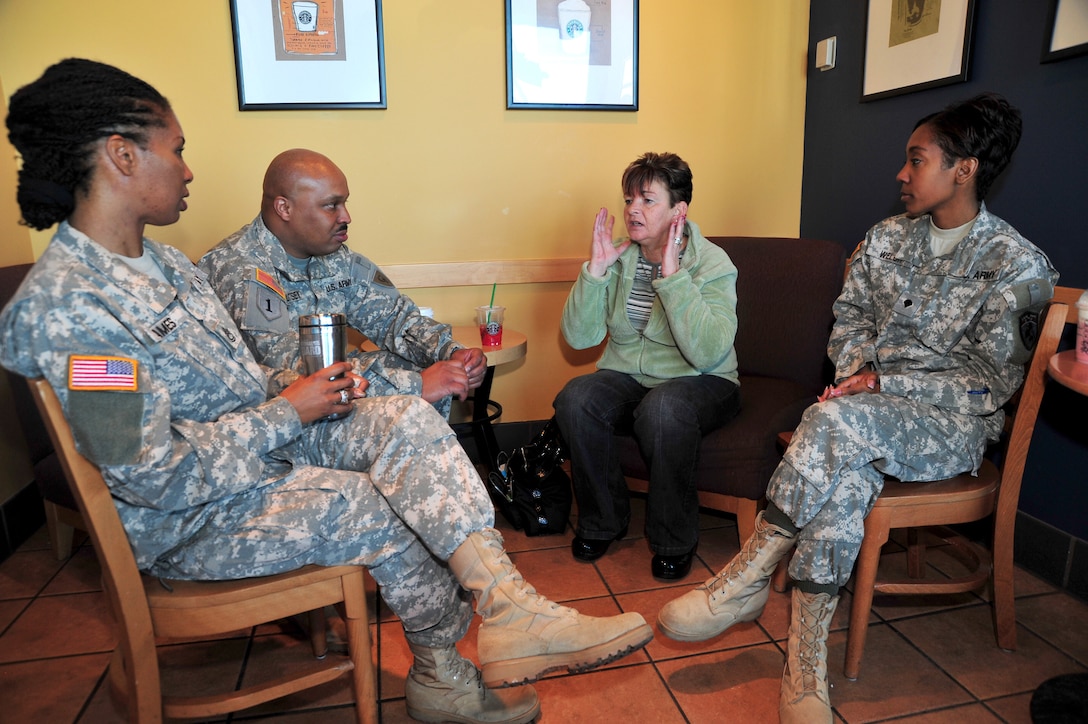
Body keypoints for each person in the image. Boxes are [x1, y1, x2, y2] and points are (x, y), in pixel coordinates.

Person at [0, 58, 653, 724]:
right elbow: (151, 476)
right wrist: (288, 410)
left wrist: (299, 396)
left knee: (405, 420)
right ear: (122, 156)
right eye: (179, 150)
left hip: (259, 455)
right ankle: (443, 672)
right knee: (380, 503)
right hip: (192, 519)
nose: (190, 170)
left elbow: (243, 378)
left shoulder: (162, 263)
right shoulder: (73, 310)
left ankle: (511, 611)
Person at [656, 93, 1058, 723]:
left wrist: (881, 383)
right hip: (857, 419)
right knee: (842, 469)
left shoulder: (1017, 266)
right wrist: (853, 379)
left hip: (949, 428)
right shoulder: (884, 241)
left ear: (964, 168)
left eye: (916, 160)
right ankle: (805, 666)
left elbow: (989, 386)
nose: (901, 174)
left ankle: (749, 573)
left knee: (835, 427)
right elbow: (848, 325)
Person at [553, 152, 741, 580]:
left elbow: (709, 351)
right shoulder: (622, 259)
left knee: (663, 409)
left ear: (679, 210)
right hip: (631, 377)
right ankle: (604, 521)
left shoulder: (712, 263)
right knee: (576, 398)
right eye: (628, 199)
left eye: (647, 200)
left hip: (703, 380)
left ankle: (674, 538)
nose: (633, 210)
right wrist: (596, 272)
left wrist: (673, 278)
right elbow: (580, 340)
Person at [199, 149, 485, 420]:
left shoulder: (335, 256)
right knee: (414, 380)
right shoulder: (238, 267)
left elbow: (394, 318)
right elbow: (289, 365)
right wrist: (415, 385)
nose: (346, 217)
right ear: (284, 208)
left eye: (344, 203)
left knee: (427, 367)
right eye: (331, 205)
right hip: (272, 417)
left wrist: (453, 353)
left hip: (333, 398)